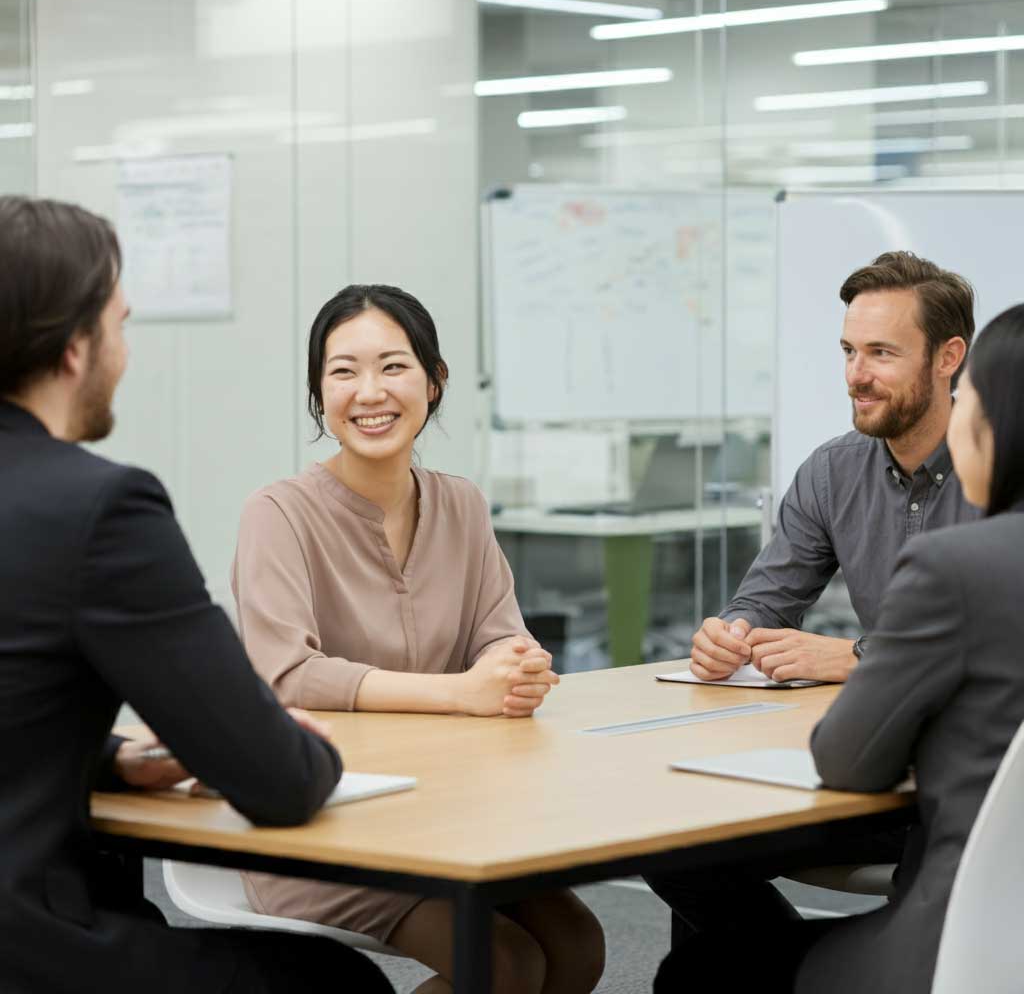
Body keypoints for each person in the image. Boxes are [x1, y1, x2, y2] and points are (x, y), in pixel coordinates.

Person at [0, 196, 392, 994]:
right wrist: (301, 748)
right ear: (76, 348)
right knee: (333, 984)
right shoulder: (98, 509)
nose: (123, 349)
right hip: (33, 952)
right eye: (120, 323)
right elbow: (279, 782)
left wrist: (112, 760)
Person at [231, 284, 605, 994]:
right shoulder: (277, 514)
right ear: (318, 392)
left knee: (578, 944)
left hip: (451, 817)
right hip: (323, 827)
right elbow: (285, 675)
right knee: (504, 965)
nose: (369, 391)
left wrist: (514, 667)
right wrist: (463, 695)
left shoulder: (461, 504)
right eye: (343, 371)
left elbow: (501, 634)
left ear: (433, 382)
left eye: (393, 367)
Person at [656, 302, 1024, 994]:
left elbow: (848, 760)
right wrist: (732, 632)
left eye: (881, 352)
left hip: (958, 923)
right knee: (686, 847)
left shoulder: (960, 564)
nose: (857, 373)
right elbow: (763, 601)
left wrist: (856, 660)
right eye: (848, 351)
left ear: (954, 372)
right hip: (1000, 892)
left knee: (699, 973)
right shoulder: (835, 470)